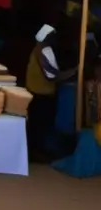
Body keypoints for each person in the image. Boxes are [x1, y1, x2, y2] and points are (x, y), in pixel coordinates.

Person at [25, 24, 76, 162]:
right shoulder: (44, 50)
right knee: (40, 125)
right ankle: (36, 153)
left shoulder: (37, 49)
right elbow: (51, 75)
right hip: (41, 94)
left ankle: (36, 151)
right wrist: (73, 72)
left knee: (37, 125)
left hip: (37, 92)